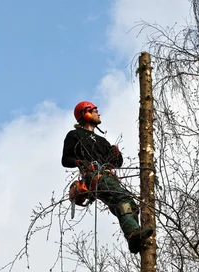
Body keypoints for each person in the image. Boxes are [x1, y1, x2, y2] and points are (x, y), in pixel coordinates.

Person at [62, 101, 153, 254]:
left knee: (131, 205)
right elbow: (65, 159)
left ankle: (134, 239)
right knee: (122, 198)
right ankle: (132, 233)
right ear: (85, 113)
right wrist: (79, 162)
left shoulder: (102, 140)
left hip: (107, 176)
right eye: (95, 110)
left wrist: (116, 155)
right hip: (93, 176)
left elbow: (115, 163)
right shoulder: (74, 135)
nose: (98, 113)